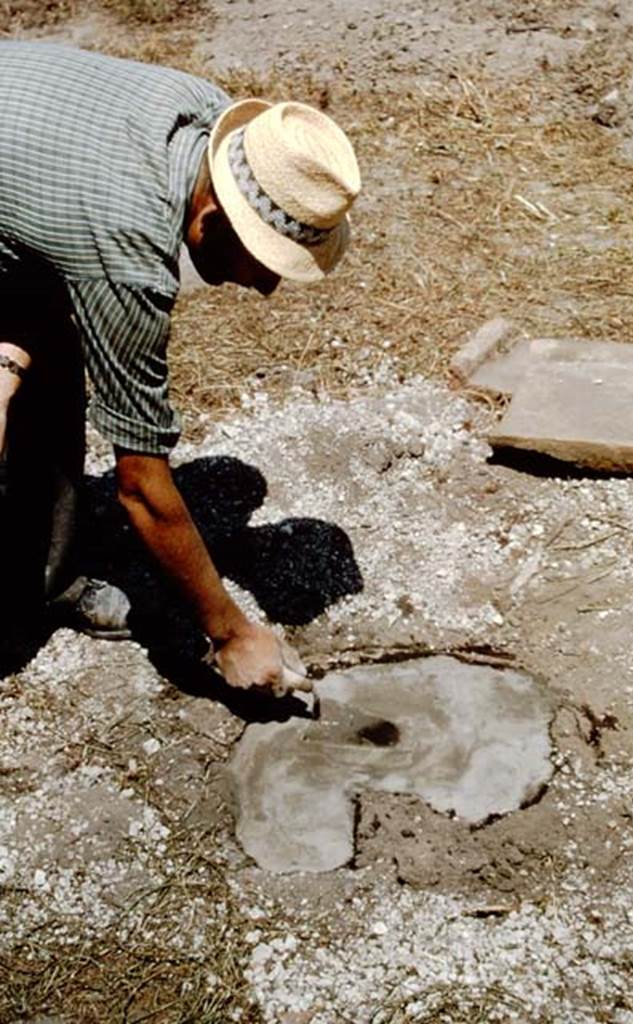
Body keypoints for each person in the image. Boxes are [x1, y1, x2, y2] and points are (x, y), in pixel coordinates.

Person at [0, 41, 361, 692]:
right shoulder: (128, 253)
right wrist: (229, 631)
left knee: (51, 368)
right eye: (264, 261)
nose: (267, 289)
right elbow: (141, 485)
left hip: (26, 187)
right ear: (212, 216)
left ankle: (40, 581)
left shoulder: (207, 122)